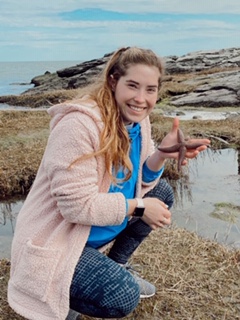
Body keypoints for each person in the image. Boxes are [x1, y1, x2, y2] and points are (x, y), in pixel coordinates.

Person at [8, 46, 210, 320]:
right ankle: (67, 293)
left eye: (150, 89)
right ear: (113, 81)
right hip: (60, 241)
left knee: (161, 193)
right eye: (133, 86)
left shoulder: (138, 121)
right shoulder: (78, 125)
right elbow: (75, 207)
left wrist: (161, 155)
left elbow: (140, 180)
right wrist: (139, 208)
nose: (141, 99)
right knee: (122, 296)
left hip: (92, 231)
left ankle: (115, 264)